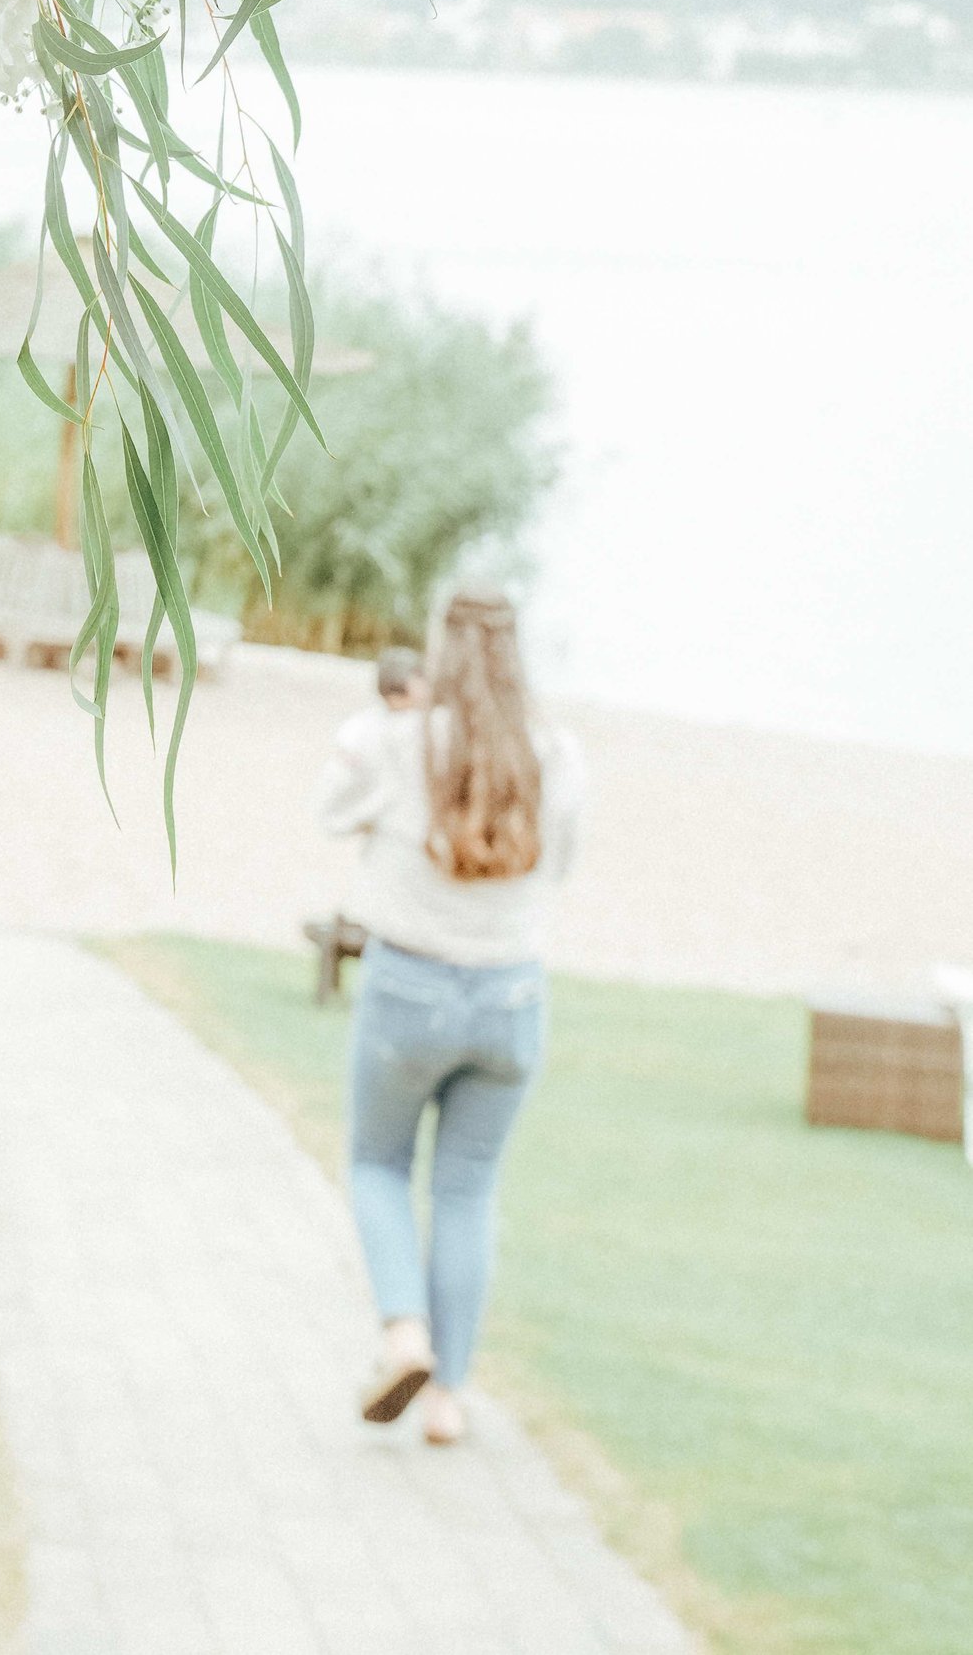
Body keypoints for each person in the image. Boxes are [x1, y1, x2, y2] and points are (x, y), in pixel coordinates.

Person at [315, 590, 582, 1445]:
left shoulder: (401, 741)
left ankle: (405, 1336)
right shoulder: (555, 753)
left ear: (438, 649)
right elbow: (559, 865)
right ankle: (448, 1402)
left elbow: (330, 811)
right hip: (511, 997)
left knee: (378, 1165)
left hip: (410, 987)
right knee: (467, 1189)